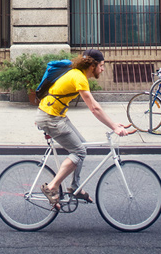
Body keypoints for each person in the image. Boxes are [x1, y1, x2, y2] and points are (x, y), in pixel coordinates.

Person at [34, 49, 129, 210]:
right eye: (101, 65)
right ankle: (51, 187)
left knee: (82, 147)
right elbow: (94, 108)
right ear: (92, 65)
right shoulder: (79, 78)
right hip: (50, 118)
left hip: (55, 115)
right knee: (79, 152)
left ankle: (74, 187)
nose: (103, 69)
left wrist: (115, 124)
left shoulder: (77, 74)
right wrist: (114, 126)